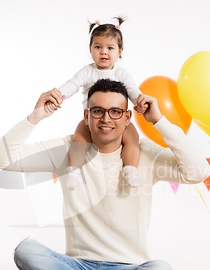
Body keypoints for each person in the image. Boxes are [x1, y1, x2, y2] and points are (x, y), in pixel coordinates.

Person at [0, 79, 210, 270]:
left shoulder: (146, 154)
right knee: (26, 252)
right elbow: (1, 159)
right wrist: (36, 116)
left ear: (127, 117)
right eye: (98, 111)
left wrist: (159, 121)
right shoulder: (67, 149)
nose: (106, 119)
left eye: (115, 111)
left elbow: (199, 172)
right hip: (75, 268)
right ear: (86, 115)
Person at [53, 16, 148, 190]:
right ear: (90, 49)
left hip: (117, 120)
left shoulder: (122, 74)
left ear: (120, 51)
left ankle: (130, 169)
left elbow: (133, 90)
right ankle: (74, 171)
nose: (103, 52)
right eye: (98, 47)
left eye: (110, 48)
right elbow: (72, 84)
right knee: (79, 139)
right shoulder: (87, 71)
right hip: (92, 120)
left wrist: (140, 101)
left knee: (132, 137)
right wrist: (59, 95)